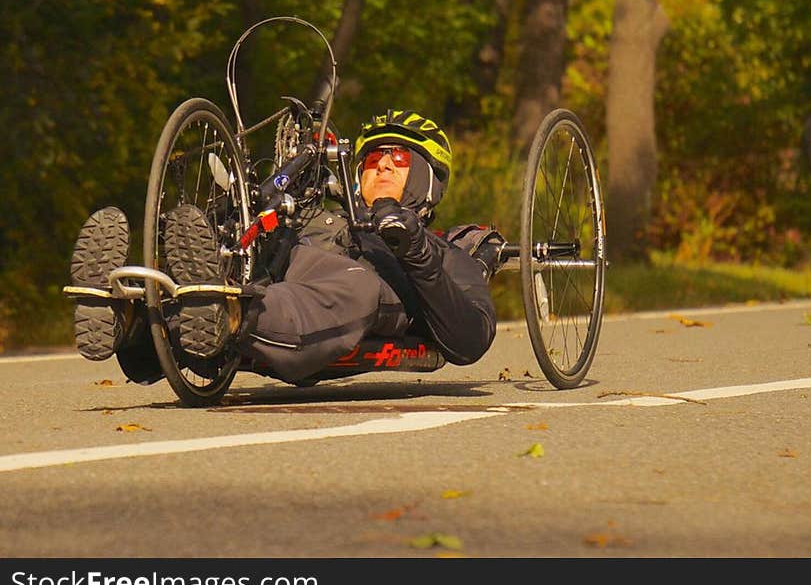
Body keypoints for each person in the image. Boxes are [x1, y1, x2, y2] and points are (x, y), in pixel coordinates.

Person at [68, 110, 504, 387]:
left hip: (355, 292)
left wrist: (414, 249)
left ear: (429, 178)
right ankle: (132, 319)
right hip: (285, 272)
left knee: (354, 286)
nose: (383, 164)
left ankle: (231, 314)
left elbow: (469, 341)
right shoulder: (321, 217)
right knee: (250, 257)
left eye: (400, 158)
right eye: (373, 158)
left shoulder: (440, 251)